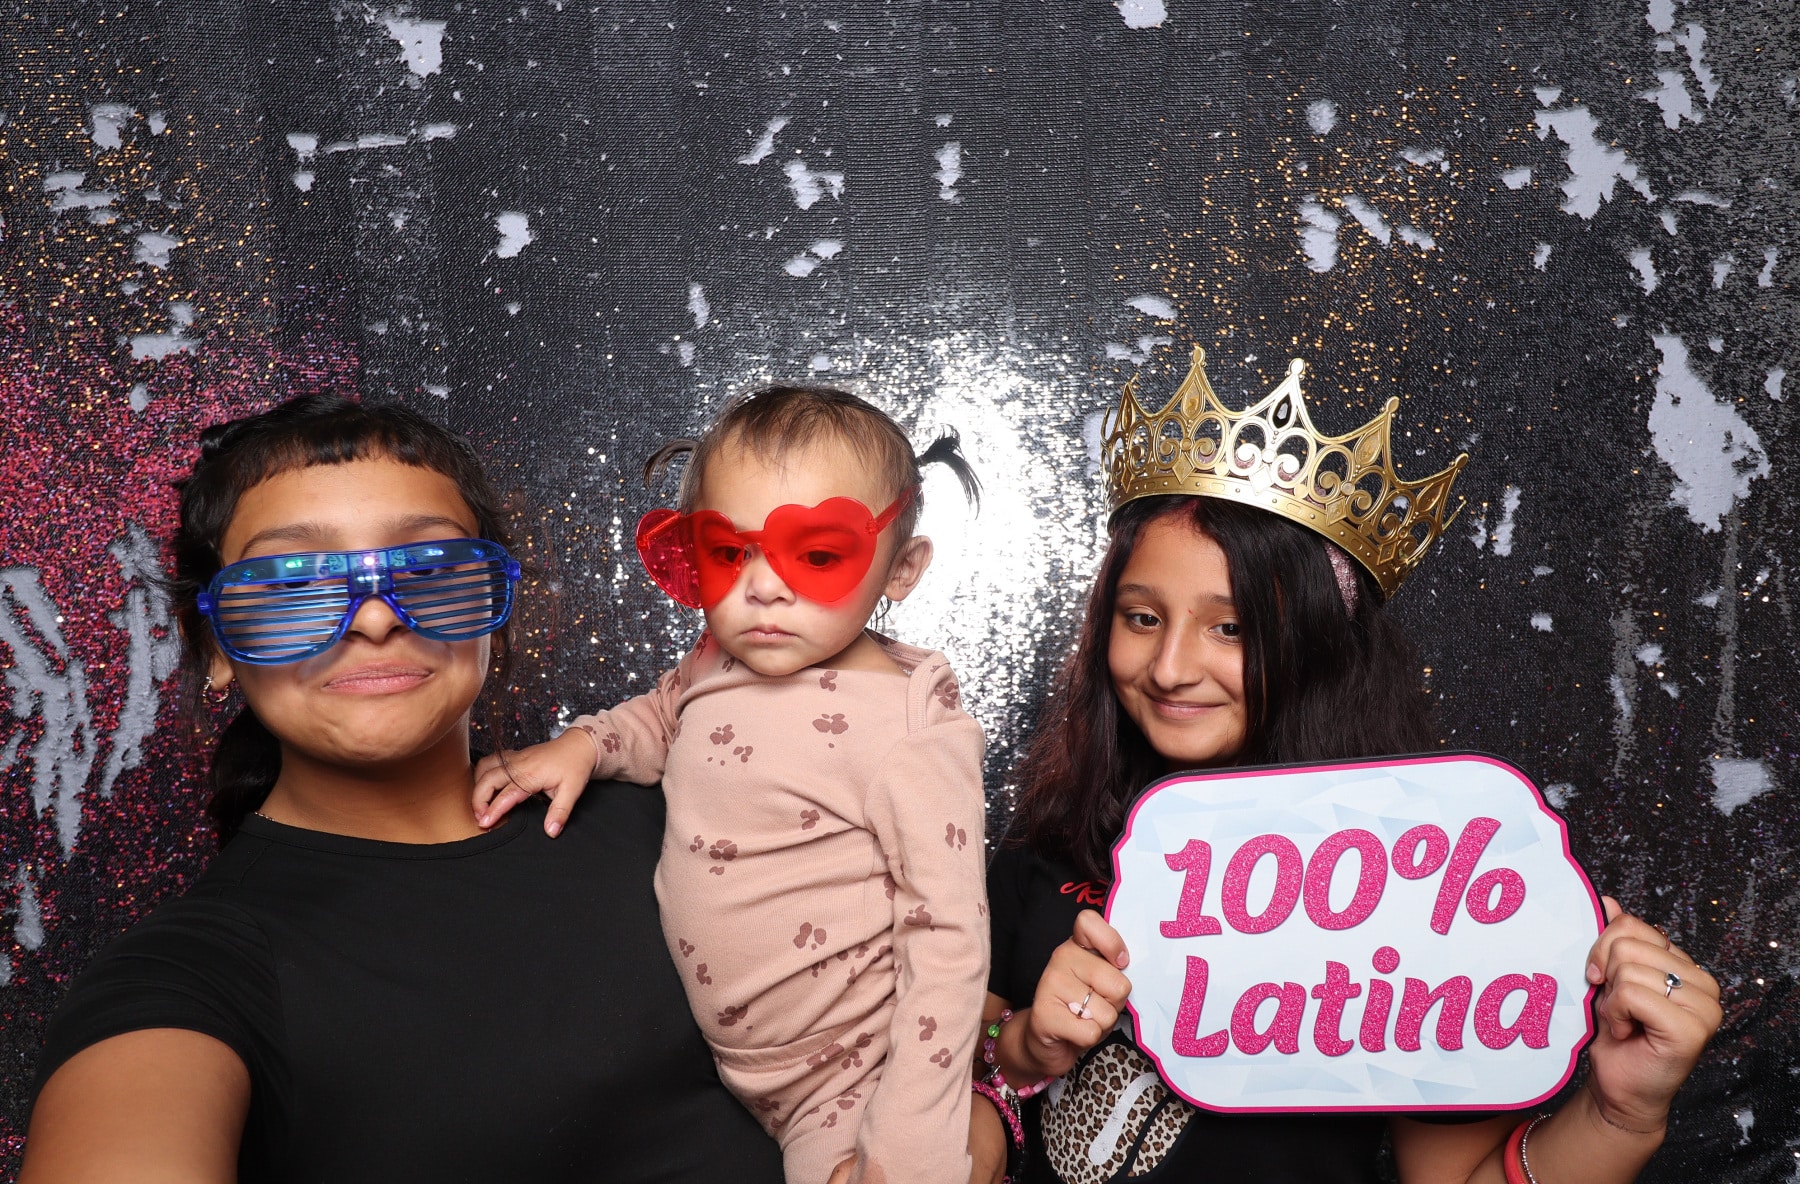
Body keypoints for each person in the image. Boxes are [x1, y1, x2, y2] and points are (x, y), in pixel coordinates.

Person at [978, 351, 1722, 1184]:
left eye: (1231, 628)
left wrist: (1621, 1116)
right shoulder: (1043, 852)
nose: (1171, 668)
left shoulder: (1426, 887)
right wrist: (1020, 1050)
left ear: (1319, 646)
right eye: (1142, 617)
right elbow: (937, 1119)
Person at [21, 395, 790, 1183]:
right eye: (293, 582)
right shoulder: (195, 973)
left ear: (492, 607)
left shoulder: (693, 815)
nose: (375, 618)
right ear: (213, 645)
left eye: (428, 567)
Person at [473, 386, 992, 1184]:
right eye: (728, 553)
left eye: (816, 556)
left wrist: (911, 1143)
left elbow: (949, 937)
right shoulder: (714, 662)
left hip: (854, 1073)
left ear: (902, 568)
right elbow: (661, 717)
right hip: (716, 1065)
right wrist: (587, 744)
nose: (763, 587)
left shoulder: (910, 728)